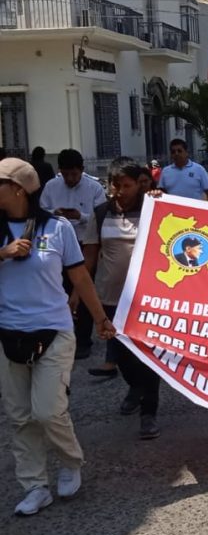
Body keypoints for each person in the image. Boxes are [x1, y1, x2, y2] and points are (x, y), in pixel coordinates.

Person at [0, 157, 115, 516]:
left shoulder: (57, 228)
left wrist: (100, 319)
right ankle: (35, 486)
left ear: (18, 189)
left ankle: (70, 462)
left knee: (48, 410)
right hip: (8, 332)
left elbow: (79, 276)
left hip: (53, 329)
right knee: (20, 416)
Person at [81, 158, 161, 439]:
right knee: (123, 355)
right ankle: (134, 386)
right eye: (115, 185)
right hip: (111, 299)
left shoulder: (154, 210)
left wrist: (160, 202)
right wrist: (77, 294)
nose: (120, 191)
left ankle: (149, 413)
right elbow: (88, 259)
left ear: (138, 185)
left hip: (147, 299)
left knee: (149, 357)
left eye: (126, 185)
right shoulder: (101, 214)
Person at [40, 148, 107, 360]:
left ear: (82, 170)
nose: (70, 178)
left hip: (84, 242)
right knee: (59, 289)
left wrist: (81, 216)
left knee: (84, 289)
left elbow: (101, 216)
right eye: (66, 174)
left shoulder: (94, 187)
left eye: (74, 174)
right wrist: (55, 214)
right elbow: (41, 211)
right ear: (60, 171)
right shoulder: (51, 186)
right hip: (56, 242)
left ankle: (83, 338)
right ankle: (59, 333)